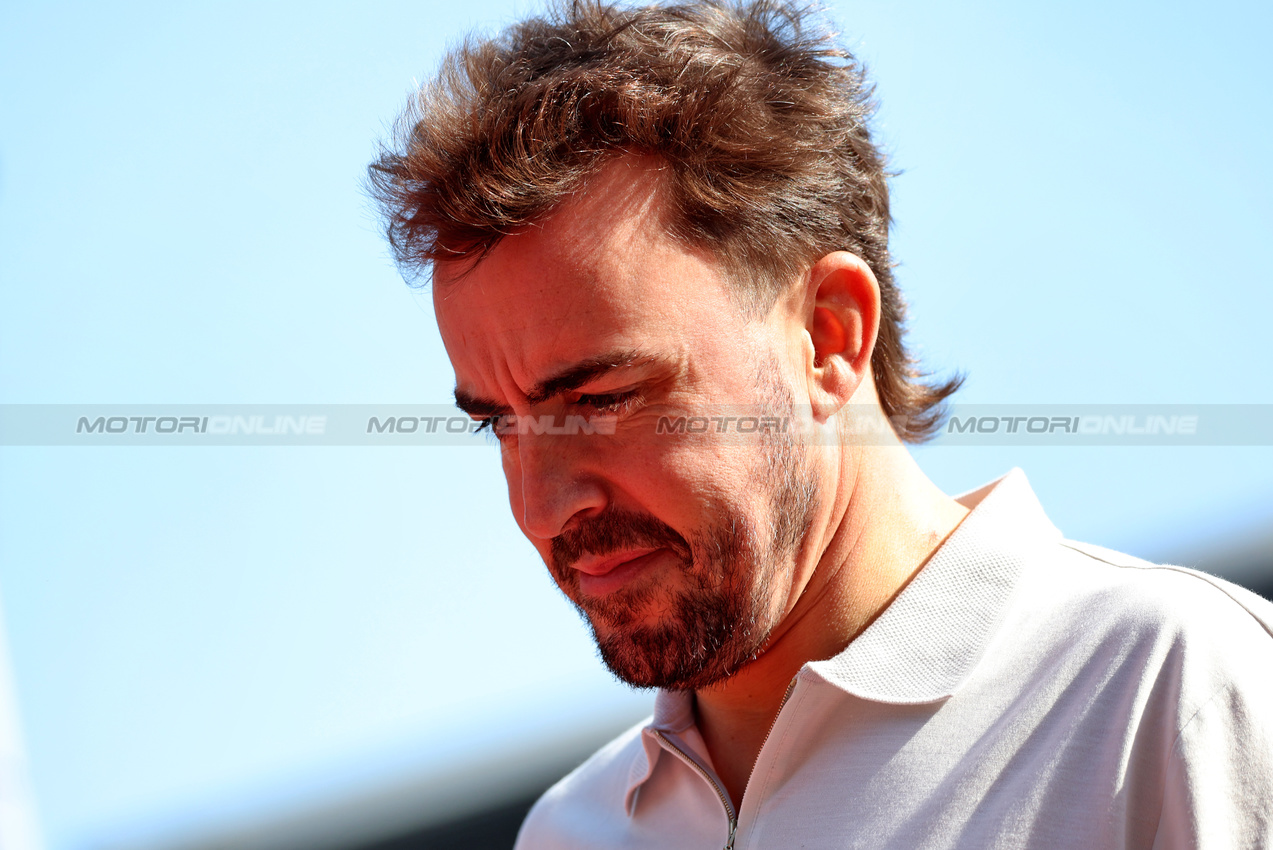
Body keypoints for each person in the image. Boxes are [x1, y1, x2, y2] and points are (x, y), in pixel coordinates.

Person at [368, 1, 1273, 846]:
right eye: (502, 425)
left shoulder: (1169, 689)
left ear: (828, 333)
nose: (540, 507)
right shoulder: (575, 830)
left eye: (601, 399)